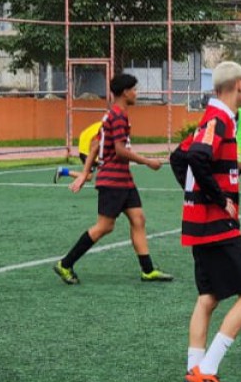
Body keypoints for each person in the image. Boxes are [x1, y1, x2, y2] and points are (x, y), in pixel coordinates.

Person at [175, 62, 241, 382]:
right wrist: (216, 199)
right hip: (216, 225)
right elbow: (195, 157)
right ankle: (206, 374)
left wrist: (195, 198)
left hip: (201, 224)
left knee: (208, 298)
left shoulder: (211, 118)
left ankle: (192, 379)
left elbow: (176, 157)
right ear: (239, 85)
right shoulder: (219, 118)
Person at [54, 73, 176, 285]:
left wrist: (84, 173)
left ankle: (147, 270)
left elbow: (94, 146)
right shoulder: (118, 116)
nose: (136, 93)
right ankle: (65, 264)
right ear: (125, 92)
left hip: (123, 180)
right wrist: (147, 162)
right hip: (113, 180)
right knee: (104, 226)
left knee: (138, 219)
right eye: (134, 90)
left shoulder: (112, 115)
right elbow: (119, 150)